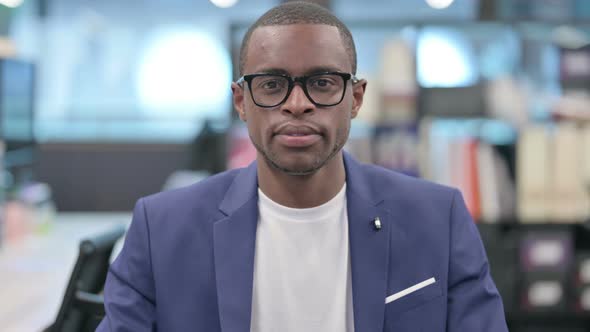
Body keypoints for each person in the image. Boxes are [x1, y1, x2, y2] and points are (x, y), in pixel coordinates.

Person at [97, 2, 508, 331]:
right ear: (241, 101)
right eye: (272, 85)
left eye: (322, 82)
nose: (297, 104)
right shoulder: (161, 228)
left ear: (357, 98)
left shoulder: (438, 219)